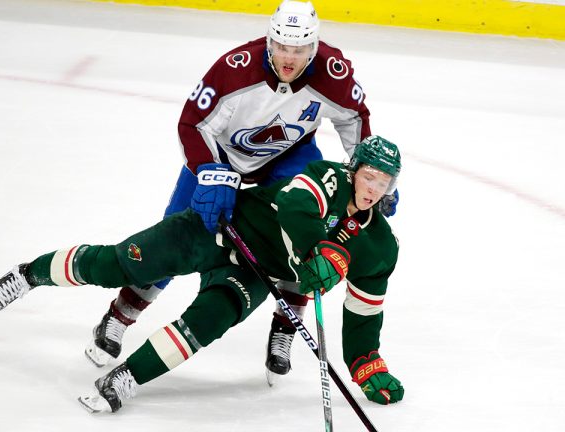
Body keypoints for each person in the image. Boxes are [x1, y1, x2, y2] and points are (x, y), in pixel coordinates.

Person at [84, 0, 400, 382]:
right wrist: (209, 171)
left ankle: (286, 325)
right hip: (222, 158)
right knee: (175, 233)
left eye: (299, 49)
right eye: (282, 46)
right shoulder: (234, 68)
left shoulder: (334, 74)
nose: (289, 57)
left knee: (306, 233)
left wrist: (365, 176)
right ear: (270, 40)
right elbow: (192, 123)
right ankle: (122, 313)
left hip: (287, 156)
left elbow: (354, 120)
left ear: (313, 47)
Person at [0, 136, 405, 413]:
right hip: (218, 230)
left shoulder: (380, 246)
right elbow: (296, 207)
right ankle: (29, 275)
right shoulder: (327, 176)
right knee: (119, 264)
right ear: (354, 171)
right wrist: (321, 251)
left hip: (256, 272)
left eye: (383, 183)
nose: (372, 189)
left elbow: (364, 309)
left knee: (210, 320)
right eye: (368, 176)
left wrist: (366, 363)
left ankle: (127, 376)